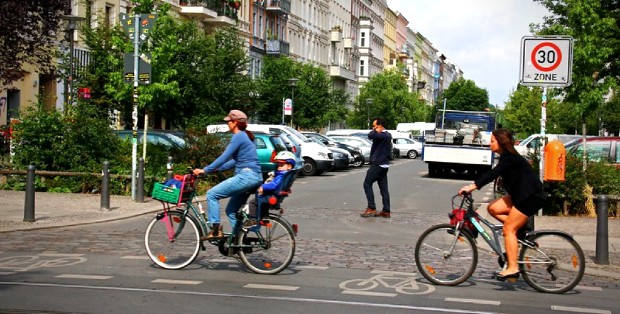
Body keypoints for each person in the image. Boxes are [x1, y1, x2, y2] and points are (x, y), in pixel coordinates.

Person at [458, 128, 546, 281]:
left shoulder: (509, 158)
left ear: (501, 142)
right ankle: (521, 231)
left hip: (530, 197)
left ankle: (513, 268)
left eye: (492, 141)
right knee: (493, 208)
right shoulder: (507, 157)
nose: (489, 144)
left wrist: (472, 186)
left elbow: (493, 174)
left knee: (508, 229)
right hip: (520, 195)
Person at [193, 109, 262, 240]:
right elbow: (234, 161)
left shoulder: (239, 136)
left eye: (229, 121)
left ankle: (215, 230)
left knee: (212, 194)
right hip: (254, 177)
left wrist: (205, 170)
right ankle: (239, 240)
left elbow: (224, 157)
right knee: (231, 210)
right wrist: (216, 170)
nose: (227, 124)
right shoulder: (245, 136)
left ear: (235, 122)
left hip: (246, 176)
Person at [245, 151, 296, 226]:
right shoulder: (286, 175)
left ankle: (253, 220)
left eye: (281, 165)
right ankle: (265, 218)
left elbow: (273, 185)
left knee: (252, 203)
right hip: (274, 195)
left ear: (289, 166)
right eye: (278, 164)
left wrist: (262, 186)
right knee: (263, 204)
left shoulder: (282, 175)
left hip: (271, 195)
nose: (279, 166)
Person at [360, 118, 393, 218]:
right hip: (384, 165)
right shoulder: (385, 135)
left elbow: (370, 135)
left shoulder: (384, 135)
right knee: (384, 189)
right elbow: (372, 135)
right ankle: (386, 210)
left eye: (375, 126)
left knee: (367, 184)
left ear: (380, 126)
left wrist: (375, 131)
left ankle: (371, 208)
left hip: (378, 164)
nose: (373, 128)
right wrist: (376, 130)